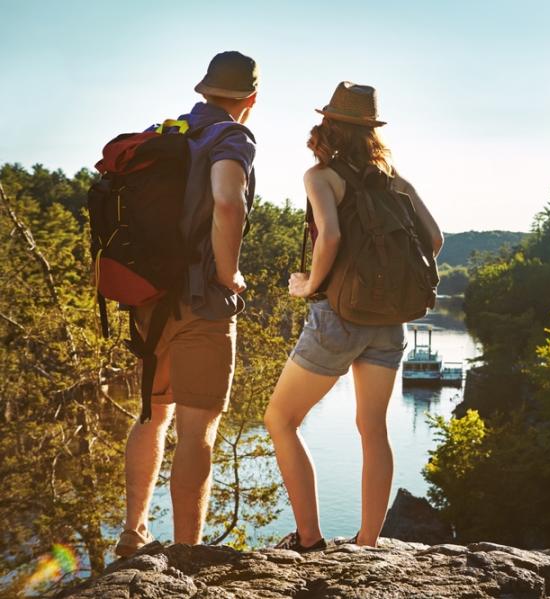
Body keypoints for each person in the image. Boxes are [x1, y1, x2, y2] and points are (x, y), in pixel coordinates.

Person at [264, 82, 443, 552]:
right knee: (373, 429)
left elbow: (331, 238)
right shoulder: (393, 178)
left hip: (338, 318)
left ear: (328, 126)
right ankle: (368, 542)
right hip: (389, 320)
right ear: (371, 132)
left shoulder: (320, 176)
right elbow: (436, 239)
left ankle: (309, 539)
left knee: (280, 418)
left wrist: (309, 284)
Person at [115, 51, 258, 557]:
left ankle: (133, 534)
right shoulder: (232, 136)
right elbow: (227, 200)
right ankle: (187, 553)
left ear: (204, 91)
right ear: (251, 99)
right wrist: (229, 272)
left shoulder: (167, 133)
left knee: (151, 416)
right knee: (198, 426)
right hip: (203, 302)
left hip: (151, 299)